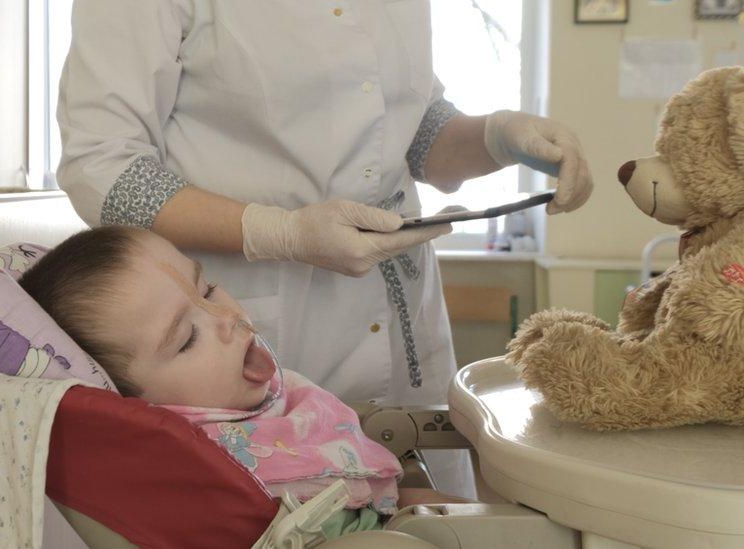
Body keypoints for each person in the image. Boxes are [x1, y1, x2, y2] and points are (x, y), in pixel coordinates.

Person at [56, 0, 593, 497]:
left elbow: (411, 130)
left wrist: (497, 138)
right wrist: (280, 231)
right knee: (297, 513)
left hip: (399, 313)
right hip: (251, 330)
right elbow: (103, 169)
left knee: (427, 515)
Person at [19, 226, 470, 538]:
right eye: (187, 338)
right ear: (134, 404)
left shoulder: (253, 405)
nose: (225, 317)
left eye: (209, 289)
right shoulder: (202, 472)